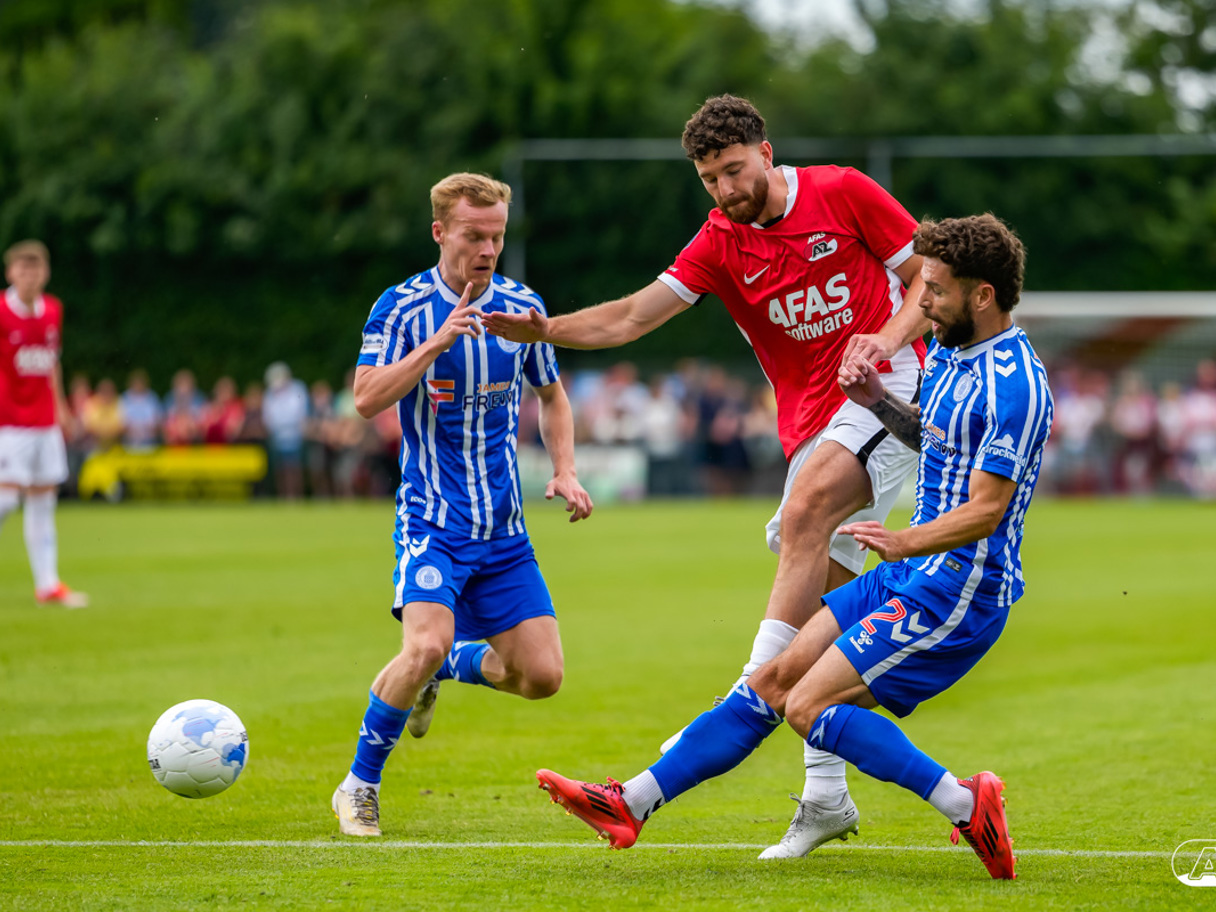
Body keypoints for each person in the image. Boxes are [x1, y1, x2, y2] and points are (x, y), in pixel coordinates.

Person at [536, 214, 1052, 881]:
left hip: (957, 590)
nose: (920, 300)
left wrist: (904, 540)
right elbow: (936, 439)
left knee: (810, 707)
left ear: (982, 296)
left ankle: (964, 802)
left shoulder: (1015, 384)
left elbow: (988, 509)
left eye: (936, 289)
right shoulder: (952, 352)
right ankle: (629, 802)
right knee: (771, 682)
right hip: (913, 572)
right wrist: (880, 402)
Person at [484, 94, 928, 857]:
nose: (725, 190)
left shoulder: (843, 190)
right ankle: (828, 795)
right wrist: (547, 330)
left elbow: (927, 276)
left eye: (734, 170)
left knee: (805, 514)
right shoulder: (721, 241)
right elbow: (632, 316)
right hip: (810, 427)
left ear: (766, 152)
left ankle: (745, 694)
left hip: (892, 389)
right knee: (820, 614)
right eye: (709, 179)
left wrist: (884, 340)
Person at [331, 172, 594, 837]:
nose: (488, 249)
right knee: (422, 643)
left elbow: (553, 395)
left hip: (504, 531)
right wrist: (436, 344)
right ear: (440, 232)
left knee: (542, 676)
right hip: (433, 522)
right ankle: (359, 786)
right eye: (475, 235)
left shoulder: (521, 306)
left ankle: (445, 668)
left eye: (497, 236)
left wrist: (564, 470)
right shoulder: (402, 308)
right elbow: (365, 399)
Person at [0, 240, 89, 608]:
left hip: (45, 423)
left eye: (35, 268)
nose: (30, 275)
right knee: (7, 498)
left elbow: (52, 363)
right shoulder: (1, 311)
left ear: (46, 273)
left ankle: (48, 585)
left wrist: (63, 410)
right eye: (23, 268)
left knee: (43, 501)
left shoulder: (53, 310)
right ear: (11, 272)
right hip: (9, 421)